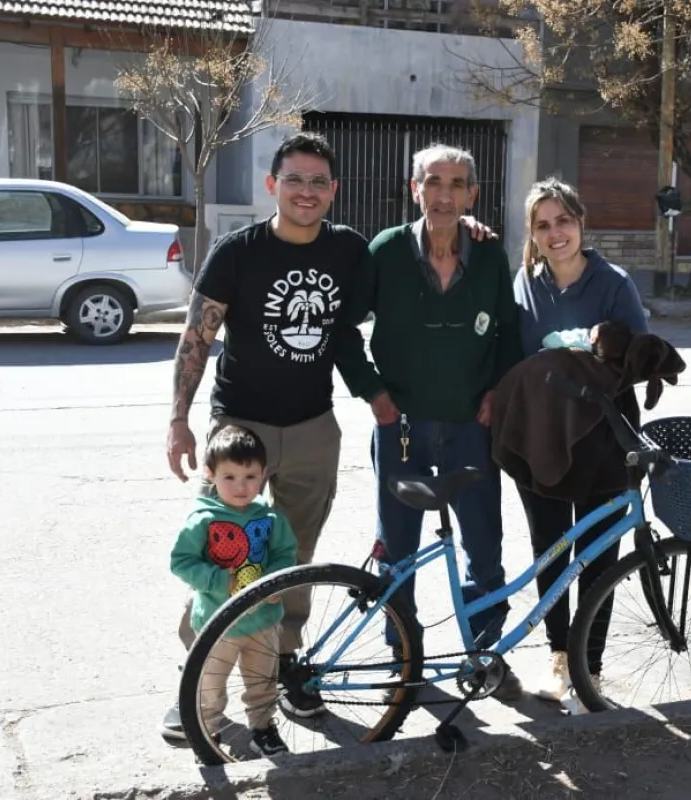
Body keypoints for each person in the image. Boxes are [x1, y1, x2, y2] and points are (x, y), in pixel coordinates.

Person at [161, 131, 496, 740]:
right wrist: (179, 419)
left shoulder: (347, 250)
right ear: (273, 186)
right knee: (227, 552)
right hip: (242, 426)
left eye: (318, 182)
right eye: (295, 180)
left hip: (313, 426)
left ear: (334, 191)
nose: (306, 192)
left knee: (290, 558)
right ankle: (199, 675)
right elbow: (196, 337)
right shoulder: (237, 252)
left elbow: (406, 266)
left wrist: (466, 226)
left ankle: (283, 671)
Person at [342, 143, 525, 700]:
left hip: (471, 425)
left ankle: (485, 651)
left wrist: (496, 389)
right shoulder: (386, 252)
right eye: (434, 182)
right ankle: (403, 654)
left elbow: (508, 336)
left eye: (457, 184)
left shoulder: (490, 255)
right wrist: (373, 393)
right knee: (397, 546)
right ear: (414, 189)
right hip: (401, 428)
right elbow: (344, 330)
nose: (444, 194)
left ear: (472, 194)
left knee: (483, 542)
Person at [511, 177, 649, 704]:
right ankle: (558, 659)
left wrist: (595, 357)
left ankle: (590, 665)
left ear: (580, 221)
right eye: (543, 225)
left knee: (598, 556)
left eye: (562, 220)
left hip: (603, 440)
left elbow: (638, 359)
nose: (555, 232)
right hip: (541, 440)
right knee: (550, 551)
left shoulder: (614, 283)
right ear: (533, 233)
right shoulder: (524, 282)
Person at [169, 424, 297, 757]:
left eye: (250, 476)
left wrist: (274, 581)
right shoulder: (203, 519)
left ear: (263, 474)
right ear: (210, 474)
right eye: (230, 477)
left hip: (264, 620)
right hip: (216, 623)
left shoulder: (271, 518)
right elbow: (181, 562)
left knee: (263, 682)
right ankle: (206, 730)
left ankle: (263, 727)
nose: (241, 487)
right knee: (210, 684)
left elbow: (286, 555)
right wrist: (216, 579)